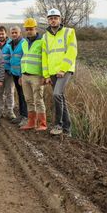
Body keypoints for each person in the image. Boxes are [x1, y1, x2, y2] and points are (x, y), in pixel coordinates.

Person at [42, 8, 78, 136]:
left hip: (65, 70)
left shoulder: (69, 32)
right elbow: (45, 56)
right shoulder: (45, 36)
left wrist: (63, 69)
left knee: (57, 95)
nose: (53, 20)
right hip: (52, 72)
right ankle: (67, 130)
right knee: (61, 97)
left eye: (55, 18)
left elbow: (72, 51)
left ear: (60, 19)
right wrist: (46, 75)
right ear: (48, 20)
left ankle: (58, 125)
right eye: (51, 18)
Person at [19, 18, 47, 131]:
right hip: (25, 75)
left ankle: (42, 124)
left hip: (37, 76)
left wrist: (45, 75)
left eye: (31, 29)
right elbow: (24, 59)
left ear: (35, 28)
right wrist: (21, 75)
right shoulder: (24, 43)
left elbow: (46, 59)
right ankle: (31, 122)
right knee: (29, 100)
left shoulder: (42, 42)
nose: (29, 31)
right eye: (27, 29)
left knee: (38, 100)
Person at [3, 26, 28, 126]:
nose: (14, 34)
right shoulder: (10, 44)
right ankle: (21, 115)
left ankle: (26, 117)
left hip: (21, 74)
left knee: (24, 95)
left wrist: (22, 75)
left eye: (15, 32)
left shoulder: (24, 43)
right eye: (12, 32)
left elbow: (25, 59)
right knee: (19, 94)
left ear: (20, 33)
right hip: (14, 73)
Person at [0, 26, 16, 120]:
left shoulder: (11, 44)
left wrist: (12, 70)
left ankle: (10, 112)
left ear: (6, 34)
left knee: (10, 92)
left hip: (9, 73)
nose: (1, 35)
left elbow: (14, 58)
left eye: (2, 34)